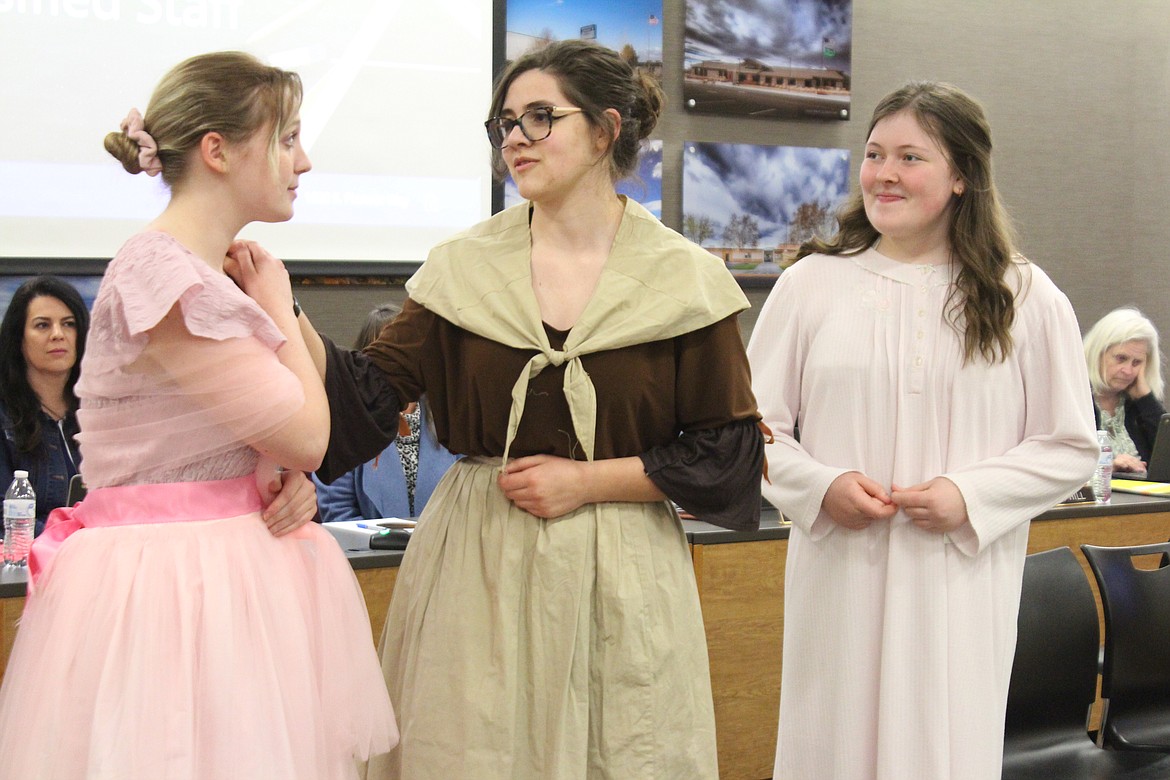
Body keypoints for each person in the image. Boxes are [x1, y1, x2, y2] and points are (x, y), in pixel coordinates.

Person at [242, 38, 762, 780]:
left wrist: (588, 482)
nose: (515, 138)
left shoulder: (685, 280)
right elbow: (367, 399)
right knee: (470, 748)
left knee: (618, 750)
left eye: (540, 118)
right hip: (477, 561)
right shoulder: (462, 269)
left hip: (621, 570)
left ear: (606, 130)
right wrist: (282, 309)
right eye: (505, 123)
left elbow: (728, 454)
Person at [0, 51, 395, 778]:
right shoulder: (164, 273)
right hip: (177, 588)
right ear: (217, 150)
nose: (301, 161)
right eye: (285, 139)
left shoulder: (199, 273)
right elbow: (310, 434)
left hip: (221, 572)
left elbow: (267, 441)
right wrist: (278, 302)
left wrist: (274, 476)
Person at [747, 81, 1098, 779]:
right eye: (875, 154)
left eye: (911, 157)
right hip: (838, 582)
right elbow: (749, 431)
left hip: (959, 591)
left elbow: (1069, 447)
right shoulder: (811, 284)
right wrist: (820, 486)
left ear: (962, 175)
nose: (884, 173)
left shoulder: (1024, 296)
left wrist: (968, 495)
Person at [313, 303, 459, 521]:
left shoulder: (450, 416)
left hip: (444, 549)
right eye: (389, 357)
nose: (400, 364)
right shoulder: (343, 423)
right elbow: (338, 510)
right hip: (370, 551)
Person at [0, 275, 88, 536]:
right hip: (29, 565)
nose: (58, 335)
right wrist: (65, 538)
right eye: (42, 325)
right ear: (19, 338)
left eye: (69, 324)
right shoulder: (4, 417)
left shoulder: (97, 412)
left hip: (99, 556)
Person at [1084, 307, 1166, 473]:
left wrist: (1146, 400)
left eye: (1136, 362)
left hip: (1146, 499)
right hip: (1098, 497)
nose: (1128, 371)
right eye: (1121, 359)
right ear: (1097, 353)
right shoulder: (1075, 400)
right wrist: (1107, 467)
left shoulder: (1141, 407)